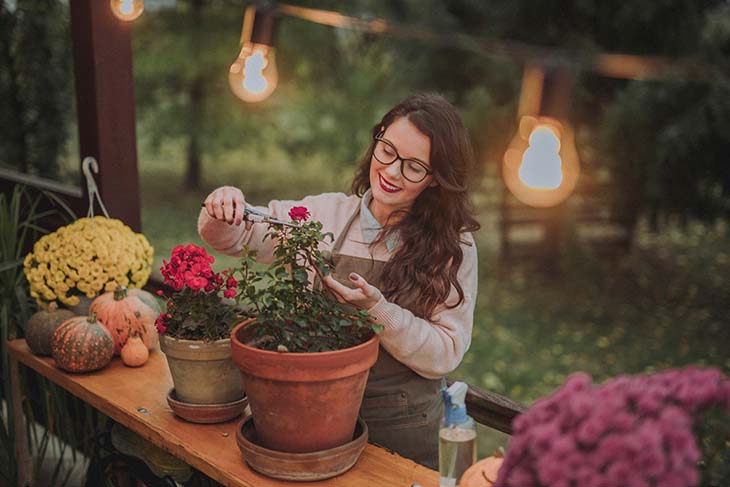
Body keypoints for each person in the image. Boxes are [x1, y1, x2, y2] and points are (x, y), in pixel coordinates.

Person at [198, 93, 480, 469]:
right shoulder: (322, 216)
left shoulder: (453, 246)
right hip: (316, 421)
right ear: (376, 139)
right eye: (388, 150)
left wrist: (378, 311)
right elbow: (235, 237)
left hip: (404, 431)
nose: (392, 171)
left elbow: (445, 352)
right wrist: (224, 206)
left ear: (435, 180)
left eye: (414, 166)